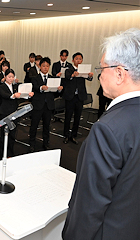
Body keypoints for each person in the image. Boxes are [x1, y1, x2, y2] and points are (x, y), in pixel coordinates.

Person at [62, 28, 140, 240]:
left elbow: (90, 204)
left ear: (119, 73)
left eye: (102, 67)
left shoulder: (107, 129)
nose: (99, 74)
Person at [0, 69, 34, 157]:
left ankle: (10, 153)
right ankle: (3, 154)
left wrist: (28, 95)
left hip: (14, 113)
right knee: (4, 134)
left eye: (12, 77)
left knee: (13, 133)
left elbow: (21, 95)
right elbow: (4, 95)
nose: (11, 79)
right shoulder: (1, 87)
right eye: (9, 77)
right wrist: (13, 95)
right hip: (5, 113)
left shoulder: (15, 86)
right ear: (5, 77)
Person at [29, 57, 63, 152]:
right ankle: (32, 143)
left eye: (47, 66)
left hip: (48, 105)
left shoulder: (53, 78)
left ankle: (46, 143)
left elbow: (55, 93)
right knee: (34, 125)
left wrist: (59, 90)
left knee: (47, 126)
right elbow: (34, 87)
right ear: (40, 66)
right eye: (43, 66)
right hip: (38, 104)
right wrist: (41, 88)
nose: (45, 68)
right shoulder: (35, 78)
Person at [63, 52, 93, 144]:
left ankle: (74, 135)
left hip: (80, 97)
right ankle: (66, 135)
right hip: (70, 97)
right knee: (68, 116)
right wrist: (73, 75)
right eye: (77, 59)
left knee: (77, 117)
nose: (78, 60)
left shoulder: (84, 70)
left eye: (80, 59)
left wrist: (90, 76)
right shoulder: (69, 69)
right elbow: (67, 77)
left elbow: (89, 78)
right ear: (73, 60)